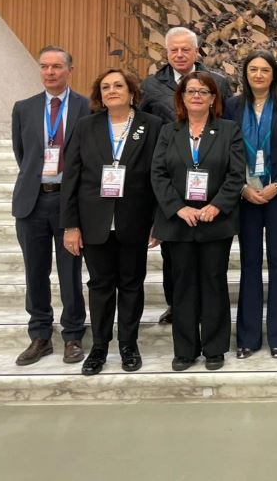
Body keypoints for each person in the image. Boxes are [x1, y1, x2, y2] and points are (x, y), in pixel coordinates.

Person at [59, 68, 162, 375]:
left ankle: (129, 346)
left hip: (135, 219)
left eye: (119, 85)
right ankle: (99, 348)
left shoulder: (151, 125)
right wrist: (71, 225)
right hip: (94, 222)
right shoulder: (85, 126)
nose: (112, 90)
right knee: (100, 285)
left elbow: (158, 175)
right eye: (105, 87)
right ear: (99, 94)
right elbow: (72, 178)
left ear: (132, 92)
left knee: (131, 285)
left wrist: (158, 221)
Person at [150, 72, 245, 371]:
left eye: (204, 92)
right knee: (183, 286)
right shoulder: (168, 131)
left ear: (214, 98)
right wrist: (179, 208)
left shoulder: (229, 130)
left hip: (215, 221)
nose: (197, 96)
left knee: (214, 283)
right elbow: (158, 174)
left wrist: (217, 206)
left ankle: (215, 348)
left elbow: (235, 174)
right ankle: (185, 350)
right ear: (181, 97)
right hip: (179, 222)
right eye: (191, 91)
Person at [139, 26, 233, 325]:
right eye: (173, 50)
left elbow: (228, 128)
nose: (179, 55)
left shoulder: (217, 81)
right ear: (166, 53)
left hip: (212, 180)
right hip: (173, 178)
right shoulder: (152, 85)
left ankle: (209, 312)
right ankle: (176, 305)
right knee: (175, 258)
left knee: (211, 264)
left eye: (185, 49)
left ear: (196, 51)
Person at [11, 46, 90, 367]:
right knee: (36, 271)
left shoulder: (86, 107)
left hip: (68, 201)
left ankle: (72, 334)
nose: (50, 72)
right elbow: (22, 154)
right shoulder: (24, 108)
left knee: (70, 271)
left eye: (56, 66)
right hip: (32, 201)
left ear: (69, 70)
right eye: (44, 66)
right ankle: (40, 334)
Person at [224, 51, 277, 359]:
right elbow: (226, 152)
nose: (258, 75)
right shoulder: (232, 106)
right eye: (253, 69)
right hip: (246, 198)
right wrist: (242, 188)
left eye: (264, 70)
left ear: (273, 75)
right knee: (250, 265)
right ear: (246, 74)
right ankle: (248, 337)